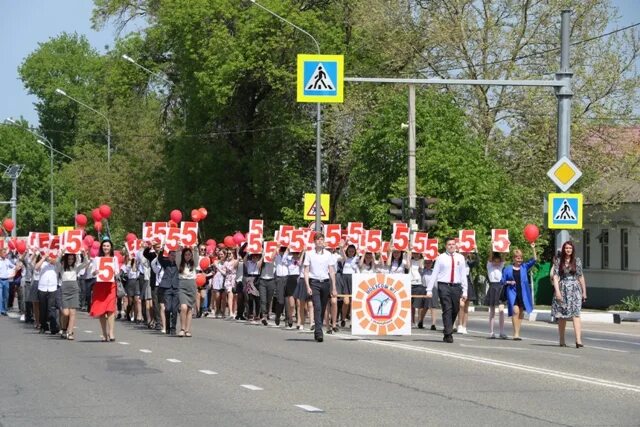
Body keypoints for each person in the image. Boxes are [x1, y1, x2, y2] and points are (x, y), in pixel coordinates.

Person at [426, 238, 468, 343]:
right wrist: (429, 290)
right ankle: (448, 333)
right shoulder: (441, 258)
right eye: (449, 244)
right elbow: (434, 273)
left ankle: (447, 328)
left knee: (455, 309)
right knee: (447, 308)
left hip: (456, 286)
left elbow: (463, 275)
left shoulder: (461, 258)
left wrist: (465, 291)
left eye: (453, 244)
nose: (451, 246)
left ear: (456, 246)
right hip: (443, 285)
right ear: (446, 246)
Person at [551, 241, 587, 348]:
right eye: (566, 248)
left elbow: (580, 276)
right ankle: (562, 339)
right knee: (562, 315)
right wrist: (557, 291)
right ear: (563, 249)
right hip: (563, 289)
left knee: (576, 314)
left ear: (573, 250)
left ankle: (578, 340)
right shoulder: (558, 261)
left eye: (570, 248)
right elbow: (556, 277)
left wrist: (584, 292)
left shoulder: (577, 261)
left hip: (575, 290)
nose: (568, 250)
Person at [303, 233, 337, 343]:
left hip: (325, 282)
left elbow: (331, 271)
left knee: (322, 308)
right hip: (314, 282)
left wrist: (334, 287)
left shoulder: (328, 254)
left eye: (322, 239)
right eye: (318, 239)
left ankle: (318, 327)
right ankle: (319, 332)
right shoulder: (309, 254)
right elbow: (306, 271)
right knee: (317, 307)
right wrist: (307, 286)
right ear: (314, 241)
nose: (320, 241)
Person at [500, 243, 537, 340]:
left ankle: (517, 332)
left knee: (521, 313)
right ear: (514, 258)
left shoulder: (524, 267)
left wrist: (533, 248)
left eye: (520, 258)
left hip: (523, 293)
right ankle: (515, 333)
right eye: (517, 258)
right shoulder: (507, 269)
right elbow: (502, 281)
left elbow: (534, 260)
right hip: (512, 292)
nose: (519, 260)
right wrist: (509, 282)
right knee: (515, 311)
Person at [90, 237, 120, 342]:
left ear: (111, 247)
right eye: (104, 246)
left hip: (110, 286)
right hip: (100, 286)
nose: (105, 247)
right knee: (102, 311)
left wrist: (113, 271)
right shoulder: (97, 259)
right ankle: (104, 333)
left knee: (111, 309)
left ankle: (111, 332)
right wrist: (96, 272)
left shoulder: (114, 258)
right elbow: (92, 272)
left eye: (107, 246)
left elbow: (117, 271)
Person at [58, 250, 90, 340]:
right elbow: (56, 262)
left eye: (72, 259)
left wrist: (85, 254)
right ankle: (64, 328)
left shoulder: (76, 267)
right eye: (69, 259)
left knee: (72, 313)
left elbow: (86, 263)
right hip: (65, 290)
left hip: (74, 290)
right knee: (65, 313)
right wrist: (61, 254)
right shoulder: (61, 267)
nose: (70, 260)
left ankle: (70, 332)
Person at [35, 252, 60, 334]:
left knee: (51, 308)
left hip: (52, 288)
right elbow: (36, 267)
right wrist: (44, 258)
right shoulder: (43, 263)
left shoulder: (55, 264)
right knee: (43, 308)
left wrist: (52, 259)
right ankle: (43, 326)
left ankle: (53, 326)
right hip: (42, 287)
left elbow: (58, 262)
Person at [484, 252, 506, 339]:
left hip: (500, 288)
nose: (496, 263)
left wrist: (505, 248)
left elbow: (504, 257)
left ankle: (501, 331)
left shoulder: (501, 267)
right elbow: (489, 257)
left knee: (501, 311)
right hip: (492, 287)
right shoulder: (489, 267)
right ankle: (491, 332)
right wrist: (491, 247)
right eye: (494, 261)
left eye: (498, 261)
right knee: (492, 311)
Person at [157, 249, 179, 336]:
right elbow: (160, 258)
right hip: (167, 287)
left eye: (174, 255)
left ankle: (173, 328)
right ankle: (167, 327)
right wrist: (162, 249)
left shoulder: (178, 264)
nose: (173, 257)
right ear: (169, 256)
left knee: (174, 309)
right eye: (172, 255)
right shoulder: (165, 263)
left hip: (176, 287)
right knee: (168, 308)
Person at [337, 243, 359, 327]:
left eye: (353, 251)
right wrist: (343, 246)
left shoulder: (356, 259)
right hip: (345, 279)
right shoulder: (343, 259)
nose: (351, 252)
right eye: (349, 251)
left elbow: (360, 264)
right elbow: (342, 253)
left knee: (353, 302)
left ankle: (352, 321)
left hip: (353, 279)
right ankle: (343, 319)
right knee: (346, 302)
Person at [178, 246, 197, 337]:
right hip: (182, 285)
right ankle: (182, 328)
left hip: (191, 285)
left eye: (189, 254)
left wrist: (195, 247)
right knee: (183, 307)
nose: (187, 256)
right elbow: (178, 255)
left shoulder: (194, 263)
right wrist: (179, 248)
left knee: (189, 309)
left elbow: (196, 255)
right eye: (186, 255)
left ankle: (187, 330)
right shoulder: (180, 263)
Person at [0, 247, 17, 315]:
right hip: (0, 280)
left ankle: (4, 309)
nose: (5, 254)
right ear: (0, 253)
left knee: (6, 296)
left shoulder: (7, 260)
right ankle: (1, 310)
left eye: (5, 253)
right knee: (0, 296)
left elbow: (14, 267)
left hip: (6, 280)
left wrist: (18, 266)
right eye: (4, 252)